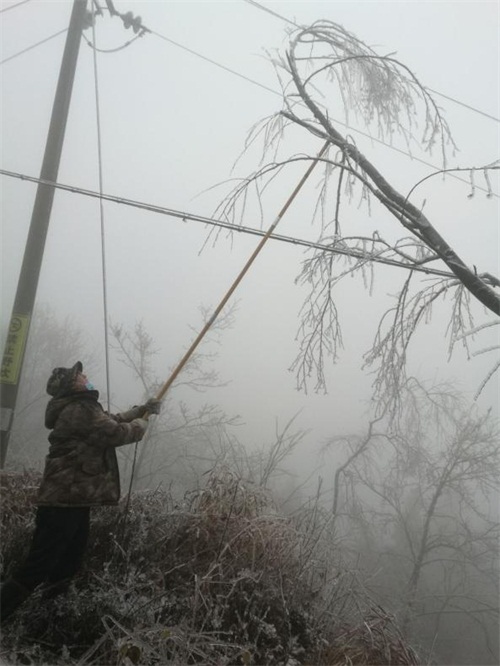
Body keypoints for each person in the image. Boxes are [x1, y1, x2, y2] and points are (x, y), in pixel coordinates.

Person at [0, 361, 161, 622]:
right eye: (79, 376)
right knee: (37, 567)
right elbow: (114, 432)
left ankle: (48, 621)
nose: (85, 377)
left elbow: (111, 419)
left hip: (74, 501)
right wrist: (141, 426)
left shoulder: (81, 408)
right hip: (63, 501)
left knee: (67, 565)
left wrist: (142, 410)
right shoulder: (79, 409)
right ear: (71, 386)